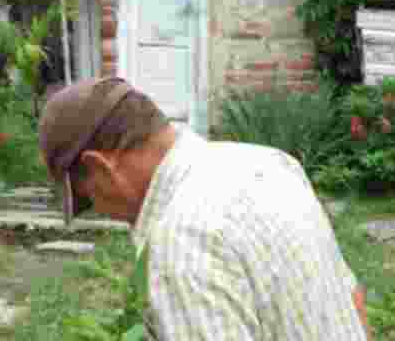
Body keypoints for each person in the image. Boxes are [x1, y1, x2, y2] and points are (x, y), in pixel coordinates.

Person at [38, 75, 370, 340]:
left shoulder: (181, 244)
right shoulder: (271, 163)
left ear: (99, 168)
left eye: (90, 199)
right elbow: (352, 299)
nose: (101, 210)